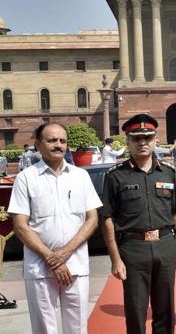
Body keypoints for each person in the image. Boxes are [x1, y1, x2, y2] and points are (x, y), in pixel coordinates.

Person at [8, 123, 102, 334]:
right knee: (43, 329)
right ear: (38, 145)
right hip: (40, 268)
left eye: (62, 141)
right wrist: (51, 258)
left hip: (76, 265)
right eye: (51, 140)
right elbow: (20, 225)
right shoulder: (25, 179)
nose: (58, 145)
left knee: (77, 328)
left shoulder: (81, 176)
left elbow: (92, 219)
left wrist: (65, 253)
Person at [100, 114, 176, 334]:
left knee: (165, 309)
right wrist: (116, 259)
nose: (142, 143)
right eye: (136, 139)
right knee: (136, 310)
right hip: (133, 250)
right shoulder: (115, 177)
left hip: (165, 246)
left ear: (155, 140)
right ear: (128, 141)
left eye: (147, 138)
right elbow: (108, 219)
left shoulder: (168, 172)